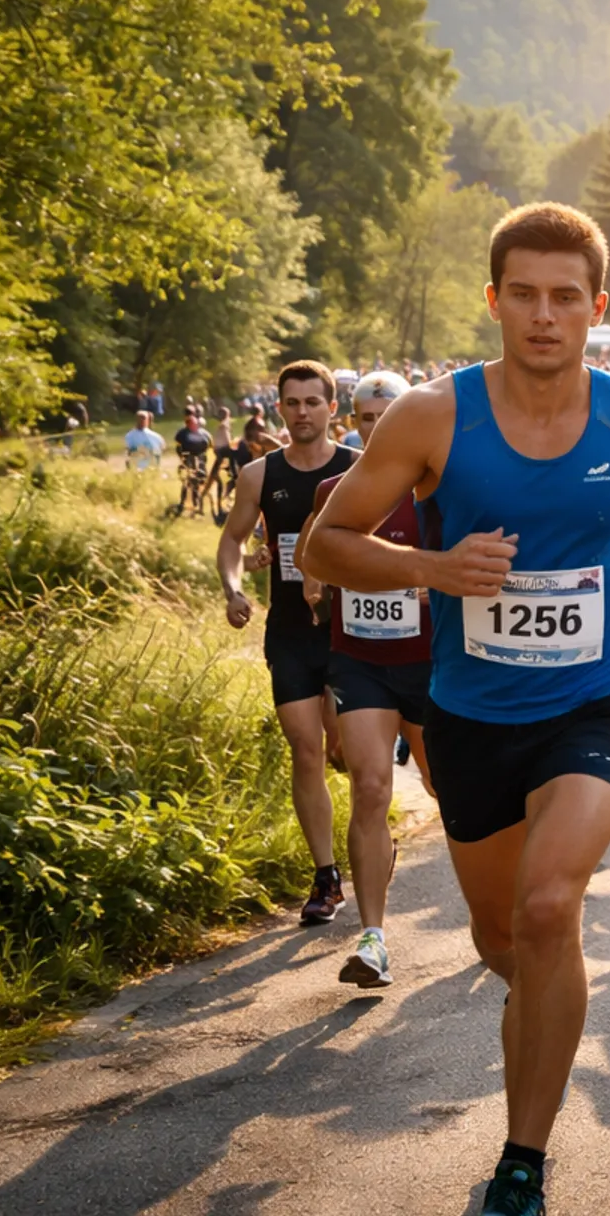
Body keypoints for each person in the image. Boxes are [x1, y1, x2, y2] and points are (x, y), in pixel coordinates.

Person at [299, 203, 610, 1216]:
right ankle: (547, 998)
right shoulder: (432, 418)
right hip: (472, 718)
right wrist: (432, 566)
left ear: (595, 308)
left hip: (599, 700)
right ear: (494, 302)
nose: (544, 315)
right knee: (506, 940)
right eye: (523, 295)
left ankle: (521, 1166)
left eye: (564, 297)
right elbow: (325, 546)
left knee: (547, 908)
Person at [300, 372, 433, 987]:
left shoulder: (437, 493)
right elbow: (310, 561)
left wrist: (434, 584)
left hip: (432, 663)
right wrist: (320, 576)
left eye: (387, 416)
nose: (375, 428)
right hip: (360, 661)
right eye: (364, 418)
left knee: (444, 788)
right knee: (372, 787)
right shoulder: (333, 490)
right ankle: (373, 938)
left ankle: (500, 907)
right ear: (350, 421)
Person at [217, 362, 356, 925]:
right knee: (305, 750)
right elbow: (232, 540)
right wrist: (234, 586)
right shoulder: (258, 474)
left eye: (312, 402)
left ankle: (371, 833)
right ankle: (326, 877)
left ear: (331, 409)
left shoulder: (357, 469)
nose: (302, 412)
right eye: (292, 403)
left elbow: (388, 540)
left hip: (351, 629)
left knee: (343, 749)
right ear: (280, 409)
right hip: (291, 632)